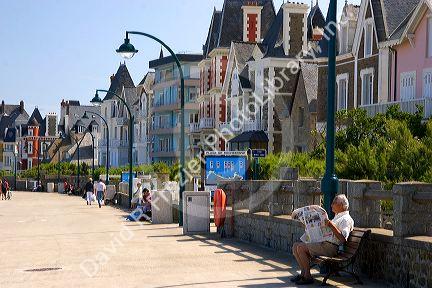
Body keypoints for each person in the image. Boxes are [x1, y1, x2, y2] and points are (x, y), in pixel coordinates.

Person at [291, 194, 354, 285]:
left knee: (300, 247)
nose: (331, 205)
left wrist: (331, 225)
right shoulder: (338, 217)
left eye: (334, 203)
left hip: (331, 247)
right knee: (295, 246)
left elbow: (343, 239)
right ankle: (303, 274)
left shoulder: (346, 219)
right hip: (324, 243)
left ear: (341, 205)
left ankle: (307, 276)